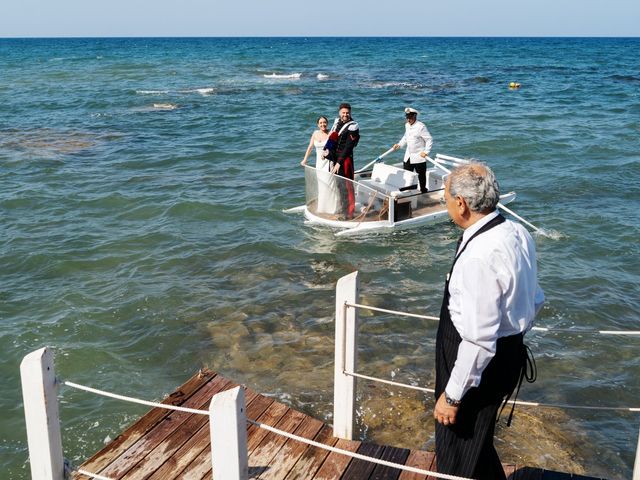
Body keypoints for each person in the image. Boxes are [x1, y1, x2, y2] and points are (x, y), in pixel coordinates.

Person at [434, 163, 544, 480]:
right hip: (509, 354)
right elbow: (535, 297)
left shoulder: (478, 256)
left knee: (458, 455)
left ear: (461, 203)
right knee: (478, 448)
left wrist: (453, 396)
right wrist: (512, 335)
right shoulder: (517, 233)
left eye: (445, 198)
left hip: (477, 367)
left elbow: (479, 341)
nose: (445, 205)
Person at [323, 103, 360, 218]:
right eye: (343, 113)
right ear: (340, 113)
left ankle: (349, 213)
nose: (345, 115)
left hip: (345, 160)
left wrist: (339, 162)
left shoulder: (353, 126)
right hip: (334, 158)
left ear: (350, 113)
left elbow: (349, 146)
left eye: (347, 113)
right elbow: (332, 137)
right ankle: (342, 208)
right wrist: (326, 150)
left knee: (347, 187)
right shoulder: (337, 123)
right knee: (339, 186)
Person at [300, 116, 340, 214]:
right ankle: (323, 208)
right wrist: (304, 160)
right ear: (318, 124)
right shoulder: (315, 133)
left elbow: (333, 149)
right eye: (321, 123)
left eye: (324, 122)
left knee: (329, 184)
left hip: (328, 162)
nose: (323, 124)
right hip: (319, 163)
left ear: (327, 123)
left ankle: (333, 209)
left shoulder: (331, 134)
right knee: (322, 185)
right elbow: (310, 147)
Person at [392, 107, 432, 193]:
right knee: (407, 175)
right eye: (407, 117)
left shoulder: (421, 126)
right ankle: (408, 193)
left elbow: (429, 139)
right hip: (408, 156)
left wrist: (426, 152)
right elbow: (406, 137)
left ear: (415, 116)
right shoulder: (407, 125)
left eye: (410, 117)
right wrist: (399, 144)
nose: (408, 119)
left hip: (419, 156)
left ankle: (423, 191)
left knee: (421, 176)